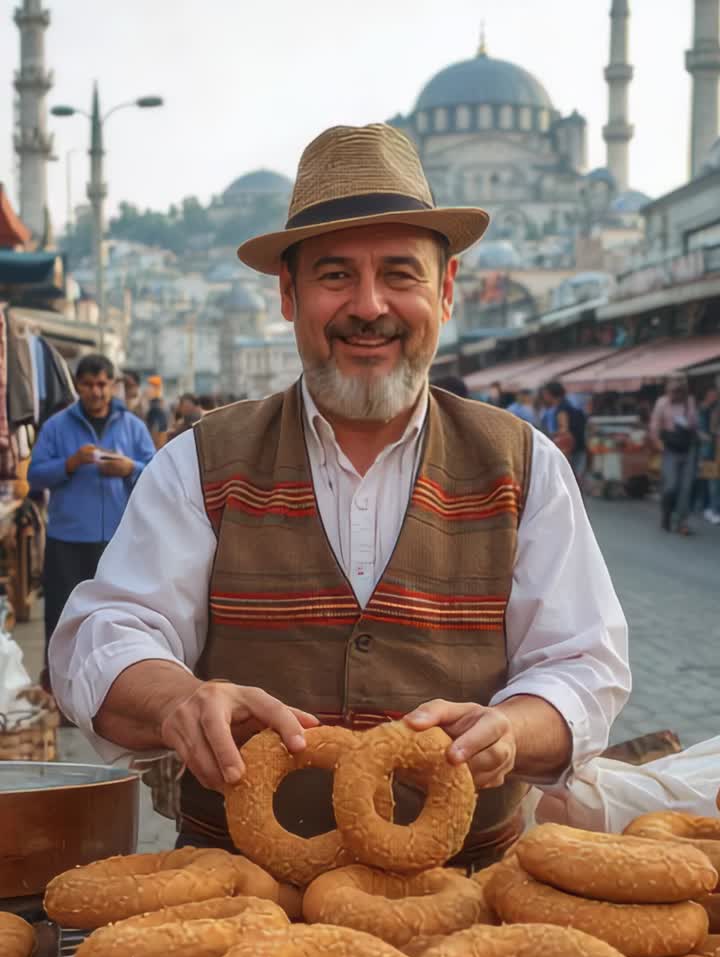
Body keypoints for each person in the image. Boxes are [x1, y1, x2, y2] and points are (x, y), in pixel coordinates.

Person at [50, 122, 629, 868]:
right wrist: (176, 703)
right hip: (235, 894)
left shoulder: (525, 467)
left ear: (445, 292)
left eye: (400, 274)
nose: (368, 306)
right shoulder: (201, 462)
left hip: (467, 894)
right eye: (334, 276)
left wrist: (517, 727)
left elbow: (585, 663)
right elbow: (106, 632)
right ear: (288, 295)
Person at [27, 353, 156, 688]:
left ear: (111, 385)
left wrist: (130, 469)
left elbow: (157, 477)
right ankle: (60, 692)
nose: (96, 392)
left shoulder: (132, 426)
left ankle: (108, 692)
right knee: (62, 621)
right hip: (66, 541)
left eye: (102, 384)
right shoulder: (57, 427)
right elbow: (35, 476)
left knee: (112, 621)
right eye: (88, 384)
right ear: (78, 386)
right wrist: (69, 464)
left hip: (116, 542)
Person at [649, 375, 699, 535]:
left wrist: (689, 422)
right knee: (671, 486)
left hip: (687, 448)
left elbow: (694, 424)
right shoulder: (662, 403)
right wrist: (658, 443)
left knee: (686, 487)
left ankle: (682, 522)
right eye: (673, 390)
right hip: (670, 448)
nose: (676, 393)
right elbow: (654, 426)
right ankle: (666, 514)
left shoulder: (689, 401)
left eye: (679, 390)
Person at [540, 382, 587, 483]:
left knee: (566, 480)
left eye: (544, 394)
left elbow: (563, 430)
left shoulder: (561, 409)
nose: (543, 397)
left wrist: (546, 436)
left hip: (568, 450)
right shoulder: (572, 405)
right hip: (579, 446)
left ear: (549, 394)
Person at [697, 385, 720, 525]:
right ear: (706, 395)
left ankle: (707, 508)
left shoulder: (713, 409)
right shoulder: (703, 410)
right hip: (708, 451)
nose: (715, 397)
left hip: (713, 450)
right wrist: (708, 436)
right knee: (712, 481)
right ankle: (712, 509)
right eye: (712, 394)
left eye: (716, 394)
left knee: (712, 481)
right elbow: (701, 431)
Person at [145, 375, 169, 447]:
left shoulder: (156, 407)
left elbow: (159, 430)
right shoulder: (159, 404)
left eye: (150, 387)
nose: (147, 389)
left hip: (156, 445)